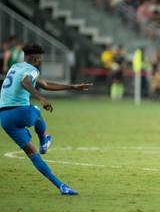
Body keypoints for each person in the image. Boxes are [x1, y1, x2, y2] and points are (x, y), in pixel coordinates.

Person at [0, 43, 93, 195]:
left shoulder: (15, 67)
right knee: (36, 111)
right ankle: (44, 142)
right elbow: (25, 82)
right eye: (41, 58)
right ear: (36, 59)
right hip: (20, 111)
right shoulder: (32, 70)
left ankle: (61, 186)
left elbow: (44, 84)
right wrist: (41, 98)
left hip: (4, 118)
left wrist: (73, 87)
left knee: (32, 153)